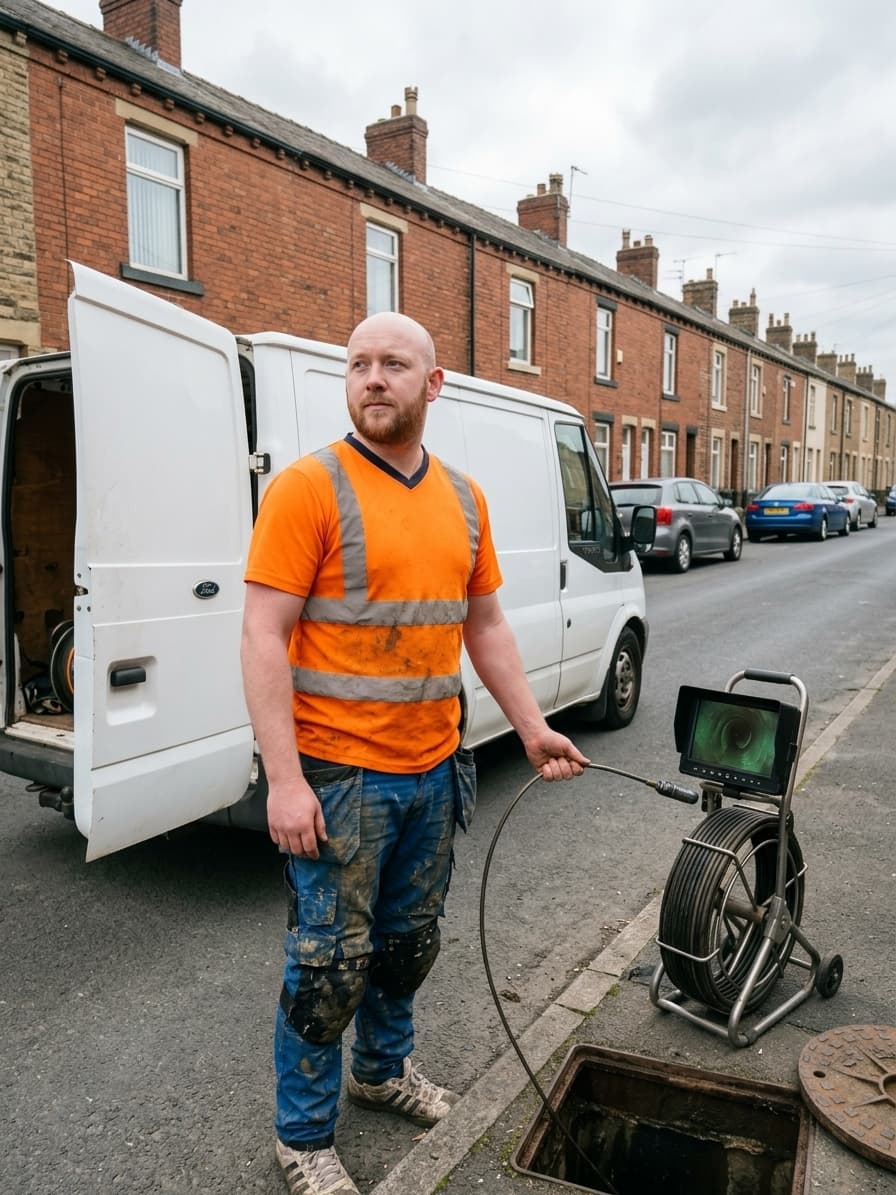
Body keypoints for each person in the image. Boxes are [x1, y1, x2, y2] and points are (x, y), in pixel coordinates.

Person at [241, 311, 588, 1195]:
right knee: (327, 966)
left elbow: (487, 626)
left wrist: (534, 723)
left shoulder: (463, 499)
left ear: (433, 384)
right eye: (357, 363)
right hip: (339, 779)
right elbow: (261, 633)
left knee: (405, 947)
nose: (372, 378)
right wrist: (283, 780)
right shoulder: (308, 488)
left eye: (394, 363)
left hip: (436, 770)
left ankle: (382, 1071)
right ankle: (304, 1137)